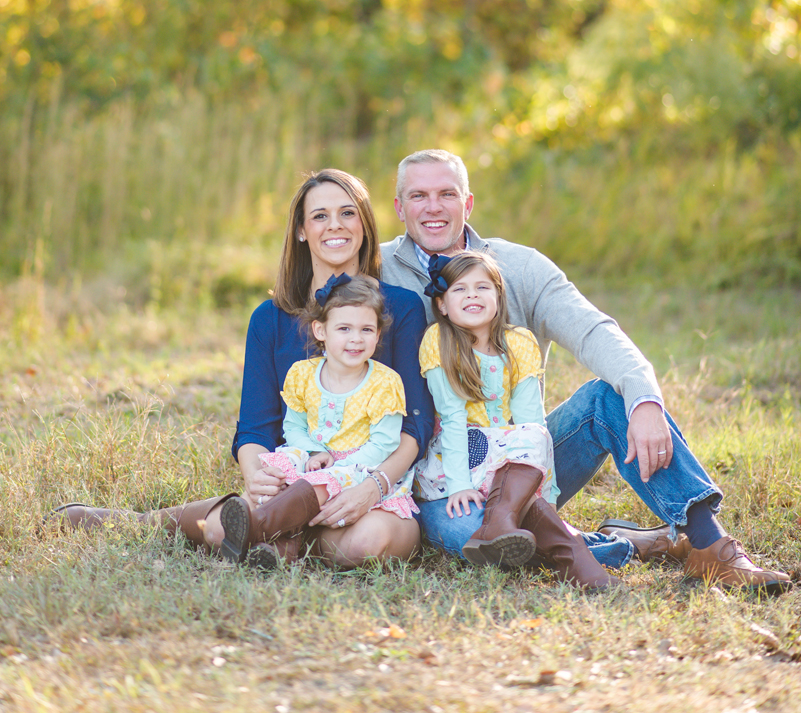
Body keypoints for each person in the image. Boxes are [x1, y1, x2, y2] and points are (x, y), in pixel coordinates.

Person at [381, 149, 793, 593]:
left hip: (520, 455)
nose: (434, 207)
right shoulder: (378, 268)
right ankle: (626, 544)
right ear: (400, 208)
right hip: (437, 473)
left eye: (447, 193)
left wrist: (644, 398)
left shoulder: (519, 266)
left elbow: (592, 330)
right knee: (473, 538)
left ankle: (710, 545)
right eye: (418, 195)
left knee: (606, 400)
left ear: (468, 203)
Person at [54, 169, 434, 570]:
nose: (335, 225)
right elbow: (255, 427)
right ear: (302, 231)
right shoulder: (270, 319)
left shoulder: (401, 308)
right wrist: (256, 476)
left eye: (347, 213)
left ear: (365, 225)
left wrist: (373, 488)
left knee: (366, 545)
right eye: (319, 216)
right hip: (298, 478)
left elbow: (417, 425)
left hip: (373, 481)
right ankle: (143, 524)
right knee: (230, 524)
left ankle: (270, 539)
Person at [415, 251, 618, 589]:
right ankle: (579, 552)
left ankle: (518, 530)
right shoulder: (439, 341)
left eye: (482, 287)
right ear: (442, 305)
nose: (472, 296)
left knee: (535, 434)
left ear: (498, 296)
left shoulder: (519, 343)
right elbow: (451, 419)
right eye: (459, 290)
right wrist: (460, 485)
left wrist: (547, 492)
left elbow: (531, 423)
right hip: (458, 461)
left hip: (508, 467)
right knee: (470, 528)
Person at [218, 272, 417, 568]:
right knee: (282, 468)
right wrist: (311, 451)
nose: (355, 339)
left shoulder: (385, 383)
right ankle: (281, 548)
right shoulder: (302, 374)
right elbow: (293, 426)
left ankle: (257, 527)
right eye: (344, 328)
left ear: (377, 335)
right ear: (320, 330)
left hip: (360, 466)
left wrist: (340, 466)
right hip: (316, 456)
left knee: (320, 484)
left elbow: (385, 442)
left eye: (366, 330)